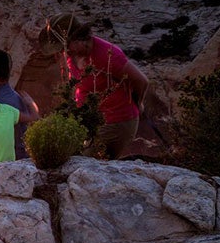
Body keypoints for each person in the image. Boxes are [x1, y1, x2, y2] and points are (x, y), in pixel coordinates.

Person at [40, 12, 149, 159]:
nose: (63, 52)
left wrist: (138, 102)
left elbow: (141, 81)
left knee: (84, 162)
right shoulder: (73, 54)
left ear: (78, 39)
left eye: (64, 47)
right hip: (91, 121)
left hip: (115, 121)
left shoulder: (107, 55)